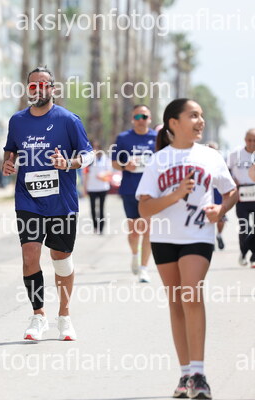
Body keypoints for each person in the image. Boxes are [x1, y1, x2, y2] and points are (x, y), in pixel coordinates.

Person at [136, 98, 237, 399]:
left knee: (191, 294)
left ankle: (199, 374)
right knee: (176, 303)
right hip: (164, 238)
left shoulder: (210, 156)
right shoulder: (158, 160)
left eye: (201, 115)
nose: (200, 121)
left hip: (198, 235)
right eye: (193, 115)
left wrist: (221, 209)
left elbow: (230, 190)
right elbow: (144, 208)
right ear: (174, 123)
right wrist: (176, 194)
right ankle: (184, 376)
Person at [2, 66, 94, 341]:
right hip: (28, 199)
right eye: (33, 85)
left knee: (60, 259)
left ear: (53, 88)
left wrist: (69, 163)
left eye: (44, 84)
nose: (38, 89)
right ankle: (38, 315)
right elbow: (11, 150)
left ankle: (64, 316)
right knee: (29, 254)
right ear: (28, 89)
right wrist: (8, 163)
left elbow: (89, 154)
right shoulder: (17, 121)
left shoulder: (68, 120)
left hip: (61, 201)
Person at [112, 104, 158, 283]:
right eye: (137, 117)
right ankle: (134, 255)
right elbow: (114, 162)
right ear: (132, 119)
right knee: (134, 232)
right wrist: (125, 165)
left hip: (150, 191)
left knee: (147, 230)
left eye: (144, 116)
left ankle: (144, 269)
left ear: (150, 119)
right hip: (130, 189)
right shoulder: (123, 138)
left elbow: (164, 161)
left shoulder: (157, 138)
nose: (141, 120)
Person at [227, 128, 255, 267]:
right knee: (244, 227)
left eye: (254, 141)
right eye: (249, 140)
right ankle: (243, 253)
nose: (252, 143)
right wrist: (233, 181)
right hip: (241, 195)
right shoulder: (235, 154)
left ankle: (254, 256)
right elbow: (226, 171)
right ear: (245, 140)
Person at [84, 140, 112, 234]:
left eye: (97, 147)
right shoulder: (89, 160)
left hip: (102, 187)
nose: (95, 149)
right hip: (91, 188)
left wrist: (102, 175)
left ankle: (101, 227)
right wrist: (84, 188)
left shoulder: (105, 158)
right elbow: (85, 174)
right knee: (92, 208)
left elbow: (109, 171)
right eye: (93, 147)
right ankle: (95, 226)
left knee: (101, 208)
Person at [207, 142, 227, 250]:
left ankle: (219, 235)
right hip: (206, 191)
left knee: (221, 217)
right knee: (207, 216)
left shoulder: (221, 160)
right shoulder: (200, 160)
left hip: (218, 191)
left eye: (213, 149)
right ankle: (210, 240)